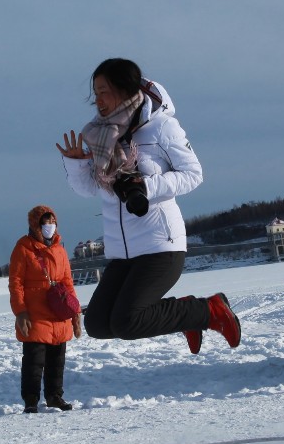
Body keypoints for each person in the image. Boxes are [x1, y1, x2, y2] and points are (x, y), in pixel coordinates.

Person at [56, 58, 240, 353]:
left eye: (105, 91)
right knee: (99, 324)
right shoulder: (100, 135)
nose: (98, 101)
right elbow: (89, 188)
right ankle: (184, 315)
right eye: (96, 94)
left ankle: (209, 310)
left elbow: (194, 174)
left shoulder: (161, 127)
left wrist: (147, 186)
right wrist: (78, 164)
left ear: (125, 89)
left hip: (160, 246)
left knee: (128, 322)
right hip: (121, 251)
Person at [8, 205, 83, 413]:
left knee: (57, 359)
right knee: (34, 360)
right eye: (45, 222)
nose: (50, 226)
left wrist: (74, 312)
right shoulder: (23, 248)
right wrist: (20, 311)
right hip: (35, 314)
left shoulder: (60, 249)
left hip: (58, 312)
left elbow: (67, 282)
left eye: (52, 222)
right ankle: (31, 400)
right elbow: (16, 283)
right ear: (35, 224)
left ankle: (54, 396)